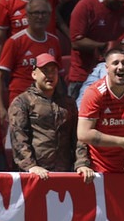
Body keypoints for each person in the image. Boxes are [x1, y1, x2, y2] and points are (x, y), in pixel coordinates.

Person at [8, 53, 95, 182]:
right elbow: (19, 137)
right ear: (34, 74)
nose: (49, 75)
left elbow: (78, 137)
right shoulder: (22, 102)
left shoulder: (68, 103)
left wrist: (82, 163)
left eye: (53, 71)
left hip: (66, 173)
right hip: (35, 175)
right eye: (44, 71)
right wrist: (31, 166)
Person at [77, 48, 124, 175]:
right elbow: (83, 134)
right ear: (106, 68)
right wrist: (121, 142)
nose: (121, 67)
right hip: (97, 170)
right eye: (115, 63)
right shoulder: (94, 93)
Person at [0, 0, 62, 124]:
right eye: (36, 13)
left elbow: (60, 76)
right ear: (27, 16)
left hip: (47, 103)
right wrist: (1, 108)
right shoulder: (15, 41)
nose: (40, 17)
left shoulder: (54, 41)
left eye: (44, 13)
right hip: (20, 103)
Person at [68, 0, 124, 98]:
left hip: (113, 74)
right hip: (84, 74)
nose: (121, 3)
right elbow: (76, 41)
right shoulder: (86, 6)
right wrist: (105, 46)